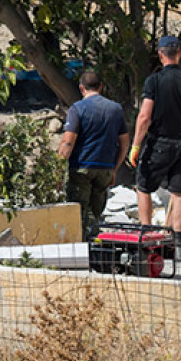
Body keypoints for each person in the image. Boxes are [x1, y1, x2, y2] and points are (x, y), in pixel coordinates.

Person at [129, 35, 181, 248]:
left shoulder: (154, 81)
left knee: (143, 187)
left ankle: (146, 234)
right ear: (179, 53)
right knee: (178, 193)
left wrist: (136, 145)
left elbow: (144, 116)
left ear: (161, 54)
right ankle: (177, 242)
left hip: (159, 143)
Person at [57, 71, 130, 240]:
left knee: (78, 213)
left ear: (82, 88)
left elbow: (68, 142)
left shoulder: (77, 109)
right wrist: (114, 169)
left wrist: (58, 171)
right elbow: (124, 143)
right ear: (101, 87)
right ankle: (94, 246)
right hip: (104, 169)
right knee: (95, 214)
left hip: (82, 167)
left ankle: (80, 249)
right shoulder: (115, 109)